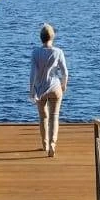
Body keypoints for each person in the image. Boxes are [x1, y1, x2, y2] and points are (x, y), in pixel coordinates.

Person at [28, 23, 69, 157]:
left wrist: (31, 91)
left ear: (41, 38)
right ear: (53, 37)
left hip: (40, 89)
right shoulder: (58, 52)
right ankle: (52, 144)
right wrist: (64, 85)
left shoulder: (35, 52)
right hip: (55, 88)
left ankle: (45, 144)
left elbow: (33, 74)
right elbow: (65, 73)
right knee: (54, 117)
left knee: (43, 117)